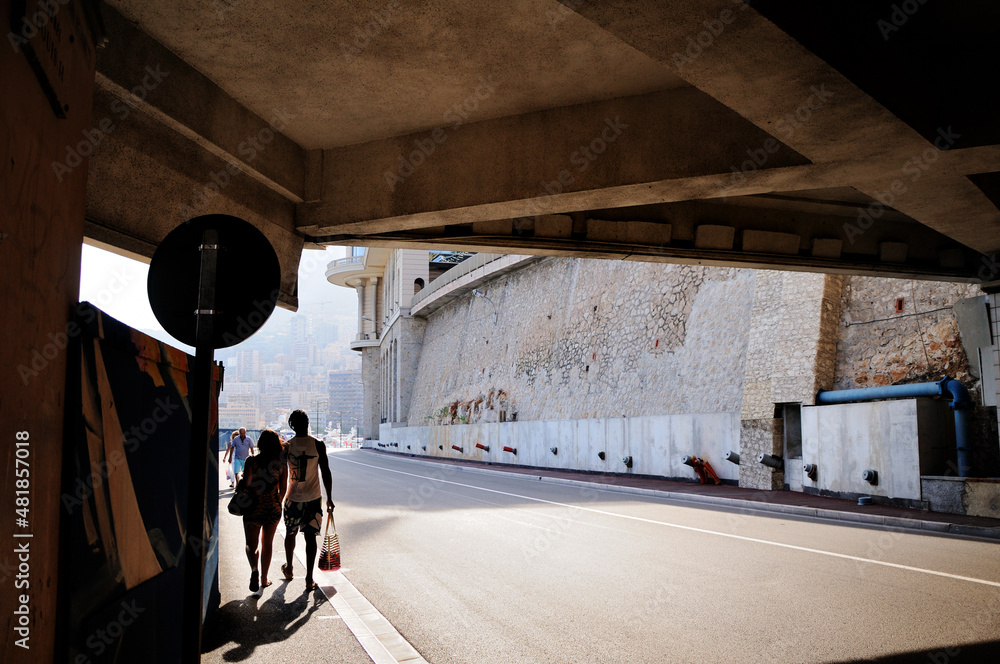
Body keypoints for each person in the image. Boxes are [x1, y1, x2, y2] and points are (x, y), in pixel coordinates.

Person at [281, 410, 334, 591]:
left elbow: (280, 473)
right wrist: (329, 498)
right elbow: (325, 471)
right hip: (313, 499)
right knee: (310, 538)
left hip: (292, 498)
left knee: (290, 533)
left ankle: (289, 568)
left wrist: (279, 495)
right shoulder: (318, 445)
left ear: (292, 425)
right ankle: (309, 578)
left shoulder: (287, 446)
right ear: (308, 423)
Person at [241, 429, 287, 595]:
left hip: (253, 508)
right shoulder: (281, 464)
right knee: (267, 543)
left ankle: (254, 570)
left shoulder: (251, 461)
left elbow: (246, 485)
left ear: (260, 443)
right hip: (273, 508)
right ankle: (264, 579)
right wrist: (275, 502)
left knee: (251, 544)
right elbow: (283, 490)